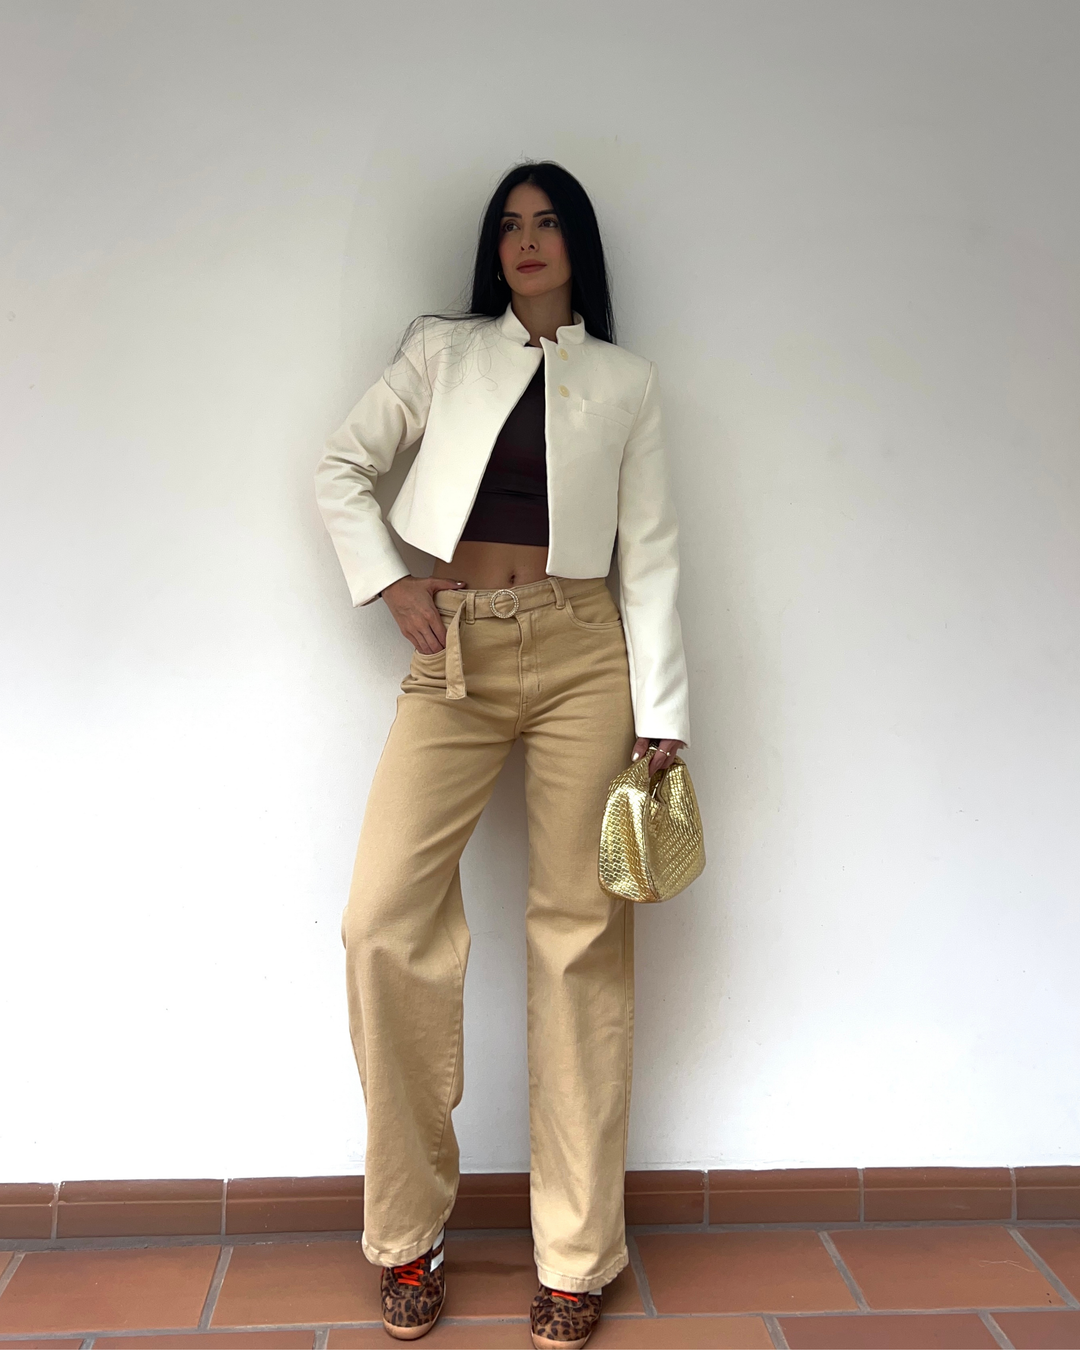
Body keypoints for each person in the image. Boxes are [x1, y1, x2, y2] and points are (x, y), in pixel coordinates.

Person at [315, 160, 691, 1350]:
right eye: (510, 225)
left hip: (585, 653)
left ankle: (576, 1256)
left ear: (579, 244)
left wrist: (663, 710)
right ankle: (408, 1234)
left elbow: (652, 555)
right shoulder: (443, 352)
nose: (527, 240)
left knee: (581, 938)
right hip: (457, 652)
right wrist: (391, 587)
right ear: (494, 250)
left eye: (548, 222)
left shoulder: (626, 381)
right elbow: (340, 468)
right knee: (381, 922)